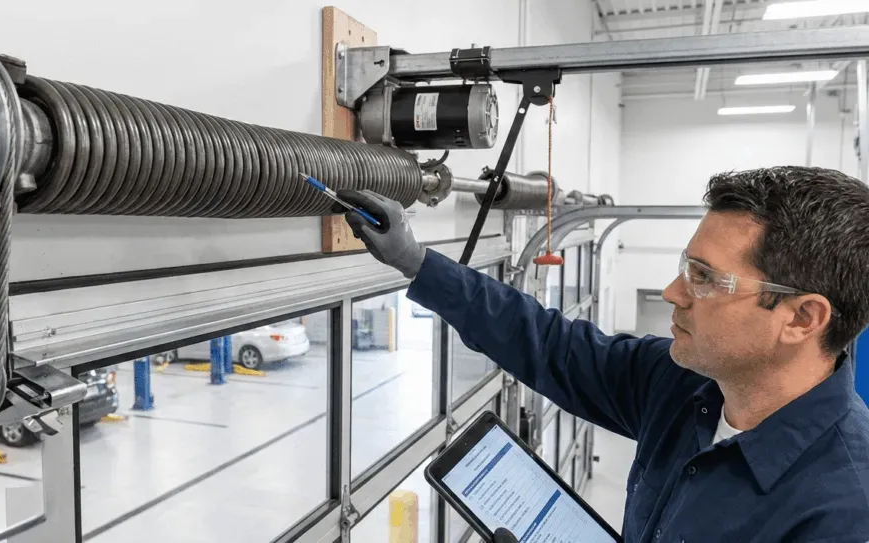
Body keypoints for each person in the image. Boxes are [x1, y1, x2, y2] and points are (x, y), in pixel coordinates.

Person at [333, 167, 869, 542]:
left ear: (803, 319)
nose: (672, 293)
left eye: (705, 278)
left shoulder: (845, 510)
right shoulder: (682, 384)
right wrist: (418, 262)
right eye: (686, 266)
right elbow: (549, 344)